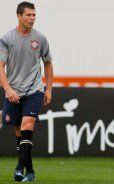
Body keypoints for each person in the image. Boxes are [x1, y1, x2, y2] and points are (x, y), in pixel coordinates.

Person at [0, 1, 53, 182]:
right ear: (19, 16)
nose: (32, 18)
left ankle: (18, 168)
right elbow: (0, 66)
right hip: (13, 92)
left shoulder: (40, 38)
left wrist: (49, 89)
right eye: (29, 15)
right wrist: (7, 89)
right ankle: (30, 171)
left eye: (34, 15)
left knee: (27, 126)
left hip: (34, 90)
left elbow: (48, 63)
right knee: (19, 133)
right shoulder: (7, 39)